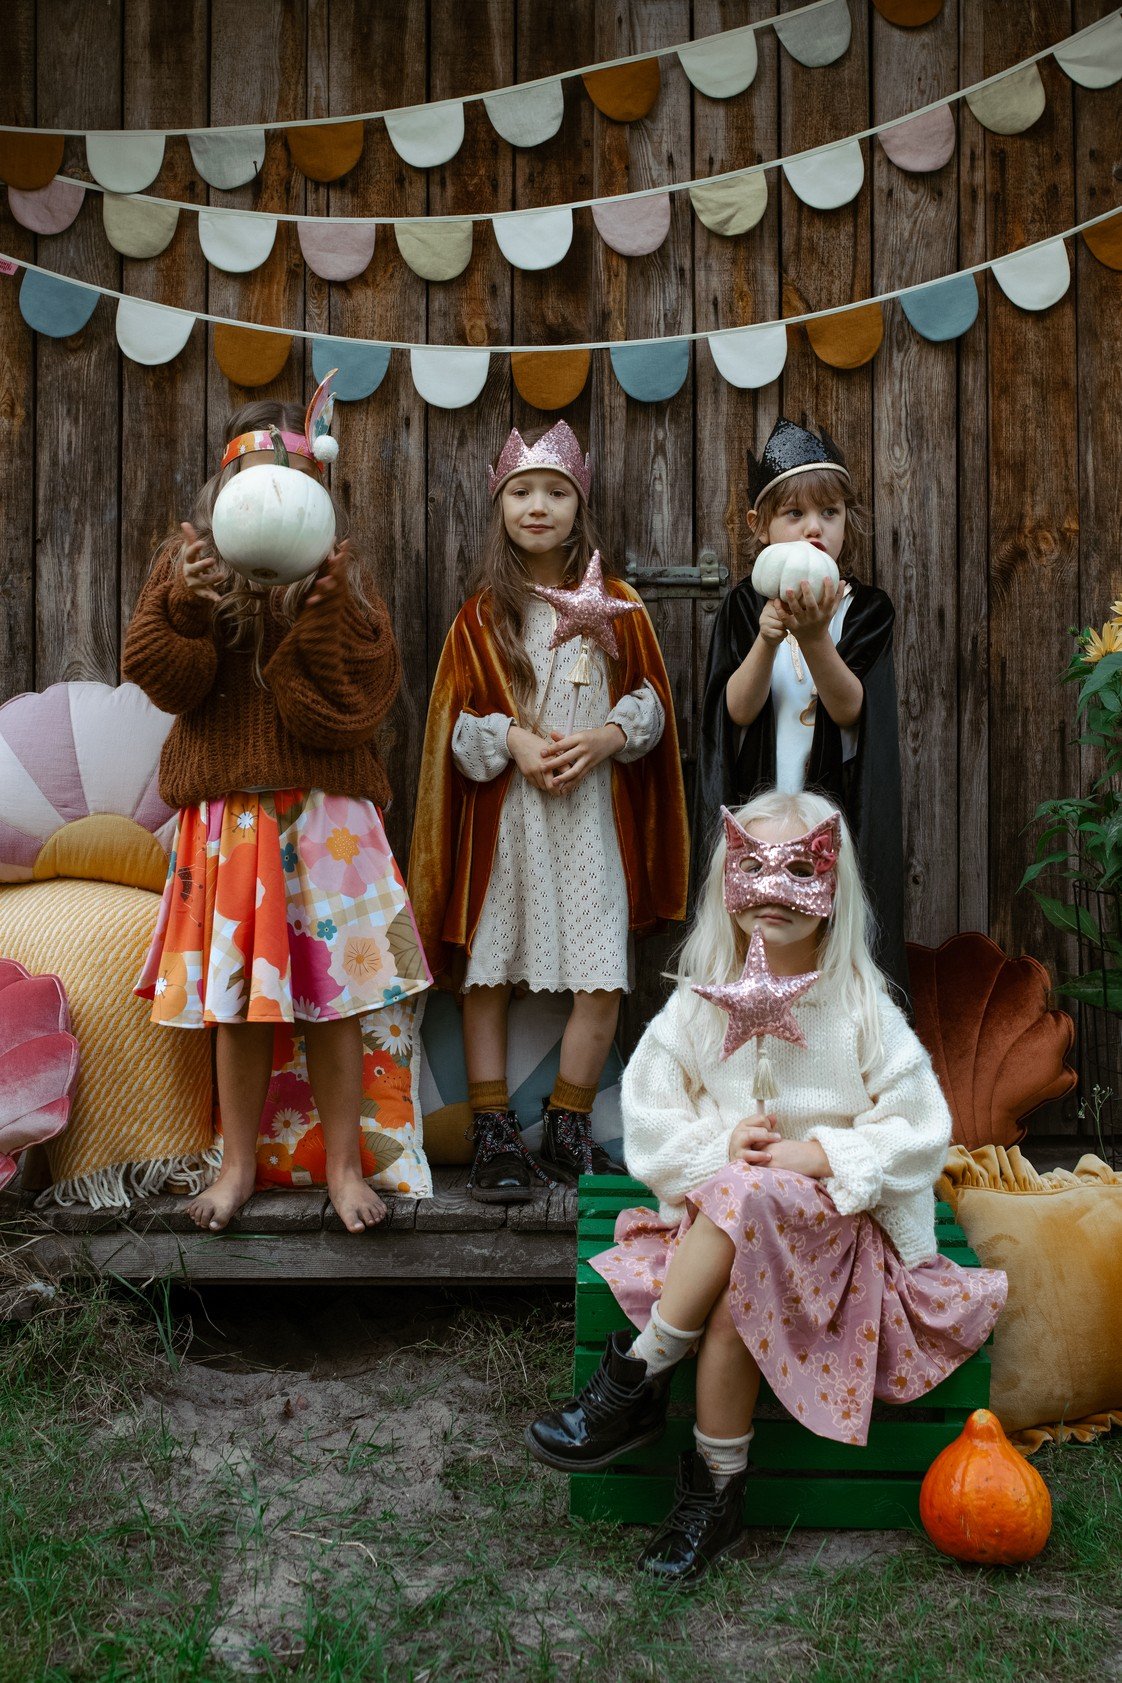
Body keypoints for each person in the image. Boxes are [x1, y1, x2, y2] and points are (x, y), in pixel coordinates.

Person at [526, 789, 1006, 1583]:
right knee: (730, 1294)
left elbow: (924, 1128)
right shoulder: (697, 1004)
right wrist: (720, 1144)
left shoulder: (860, 1007)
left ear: (832, 890)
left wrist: (822, 1154)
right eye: (753, 867)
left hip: (834, 1240)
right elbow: (646, 1116)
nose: (775, 892)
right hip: (724, 1237)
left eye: (797, 873)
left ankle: (637, 1378)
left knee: (750, 1193)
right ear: (729, 880)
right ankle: (718, 1494)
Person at [122, 391, 430, 1236]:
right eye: (247, 483)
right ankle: (238, 1165)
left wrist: (322, 618)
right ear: (219, 498)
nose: (265, 500)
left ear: (313, 497)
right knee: (238, 1005)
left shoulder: (342, 584)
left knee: (332, 998)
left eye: (282, 482)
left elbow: (346, 713)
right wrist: (184, 605)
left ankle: (341, 1165)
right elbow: (164, 678)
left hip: (324, 822)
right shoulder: (188, 571)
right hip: (231, 823)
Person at [409, 422, 689, 1201]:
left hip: (590, 825)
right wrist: (512, 739)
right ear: (501, 505)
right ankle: (494, 1129)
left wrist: (605, 736)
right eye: (523, 491)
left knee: (602, 981)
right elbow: (454, 734)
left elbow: (652, 709)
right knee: (488, 976)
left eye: (556, 492)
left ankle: (569, 1121)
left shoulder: (620, 605)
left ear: (579, 505)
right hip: (508, 831)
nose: (539, 506)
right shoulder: (481, 616)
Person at [695, 418, 909, 1004]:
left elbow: (850, 711)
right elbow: (735, 712)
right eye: (795, 515)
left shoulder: (865, 610)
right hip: (760, 804)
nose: (815, 527)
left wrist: (816, 638)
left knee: (828, 933)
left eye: (830, 514)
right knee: (761, 935)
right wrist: (766, 640)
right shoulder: (743, 605)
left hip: (833, 809)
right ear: (758, 527)